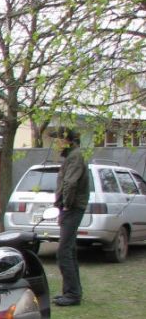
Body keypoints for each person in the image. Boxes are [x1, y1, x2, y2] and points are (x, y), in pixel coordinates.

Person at [51, 127, 89, 306]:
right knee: (70, 250)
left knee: (63, 252)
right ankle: (72, 291)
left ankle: (72, 294)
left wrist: (66, 204)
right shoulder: (72, 156)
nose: (56, 144)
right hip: (70, 208)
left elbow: (70, 183)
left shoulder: (75, 156)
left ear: (68, 140)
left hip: (72, 208)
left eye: (59, 140)